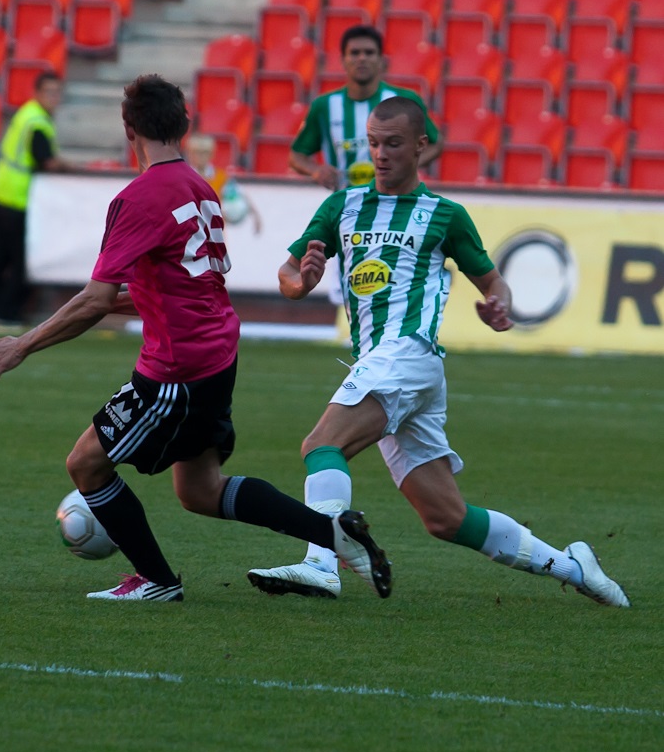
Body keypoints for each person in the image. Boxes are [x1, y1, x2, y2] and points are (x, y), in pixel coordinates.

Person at [0, 74, 391, 605]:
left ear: (128, 129)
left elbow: (97, 299)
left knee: (85, 464)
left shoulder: (139, 198)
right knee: (200, 490)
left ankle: (156, 581)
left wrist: (20, 345)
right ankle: (334, 535)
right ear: (184, 125)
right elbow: (170, 287)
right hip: (216, 355)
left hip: (177, 369)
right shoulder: (198, 187)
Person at [248, 96, 631, 609]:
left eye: (394, 144)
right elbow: (289, 272)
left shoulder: (444, 215)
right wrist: (302, 283)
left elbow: (493, 281)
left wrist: (498, 307)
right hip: (386, 366)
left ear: (421, 146)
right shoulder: (343, 206)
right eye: (374, 143)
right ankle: (573, 565)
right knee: (446, 518)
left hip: (408, 352)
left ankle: (321, 564)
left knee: (321, 445)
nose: (381, 155)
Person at [0, 72, 79, 329]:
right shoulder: (38, 123)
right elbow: (48, 162)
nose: (54, 97)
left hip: (1, 191)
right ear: (38, 93)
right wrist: (71, 165)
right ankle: (5, 312)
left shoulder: (27, 113)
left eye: (57, 92)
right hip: (17, 197)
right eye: (50, 92)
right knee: (23, 259)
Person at [289, 24, 442, 191]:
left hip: (394, 200)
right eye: (354, 53)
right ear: (343, 60)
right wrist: (316, 170)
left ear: (381, 60)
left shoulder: (405, 100)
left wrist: (404, 167)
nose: (362, 58)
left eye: (369, 53)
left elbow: (435, 143)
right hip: (344, 205)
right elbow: (296, 155)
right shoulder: (324, 105)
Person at [184, 132, 261, 232]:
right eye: (197, 152)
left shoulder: (221, 177)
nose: (201, 156)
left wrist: (256, 216)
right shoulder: (184, 177)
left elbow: (239, 194)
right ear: (190, 154)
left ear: (212, 154)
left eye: (205, 152)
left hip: (214, 233)